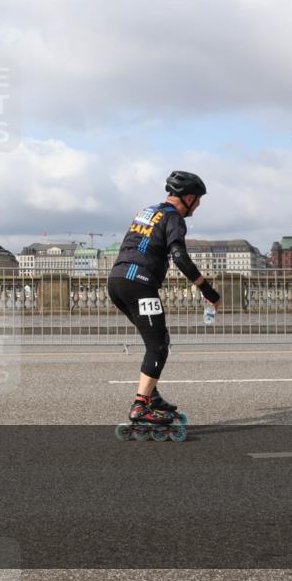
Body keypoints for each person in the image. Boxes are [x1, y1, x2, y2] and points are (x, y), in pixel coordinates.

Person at [108, 171, 221, 425]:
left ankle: (152, 396)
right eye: (199, 200)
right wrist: (207, 289)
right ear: (189, 198)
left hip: (116, 281)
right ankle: (140, 406)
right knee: (158, 344)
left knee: (157, 339)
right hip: (139, 283)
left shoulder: (147, 212)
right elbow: (180, 257)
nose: (199, 205)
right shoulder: (174, 218)